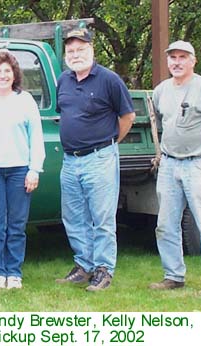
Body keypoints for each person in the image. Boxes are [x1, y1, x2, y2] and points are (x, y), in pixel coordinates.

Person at [149, 40, 201, 296]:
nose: (177, 62)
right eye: (172, 57)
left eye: (182, 57)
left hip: (199, 165)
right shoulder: (161, 90)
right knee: (165, 224)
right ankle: (173, 276)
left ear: (193, 61)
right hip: (169, 164)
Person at [55, 28, 135, 291]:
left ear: (92, 50)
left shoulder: (109, 80)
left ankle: (103, 269)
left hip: (100, 158)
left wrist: (109, 144)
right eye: (71, 51)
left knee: (102, 218)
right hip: (70, 161)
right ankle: (83, 266)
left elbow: (127, 117)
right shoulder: (64, 81)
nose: (76, 54)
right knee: (74, 217)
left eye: (81, 49)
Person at [0, 51, 45, 289]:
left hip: (19, 171)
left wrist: (34, 170)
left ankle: (14, 272)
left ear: (14, 75)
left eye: (7, 71)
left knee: (16, 226)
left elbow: (36, 137)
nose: (2, 75)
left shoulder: (25, 101)